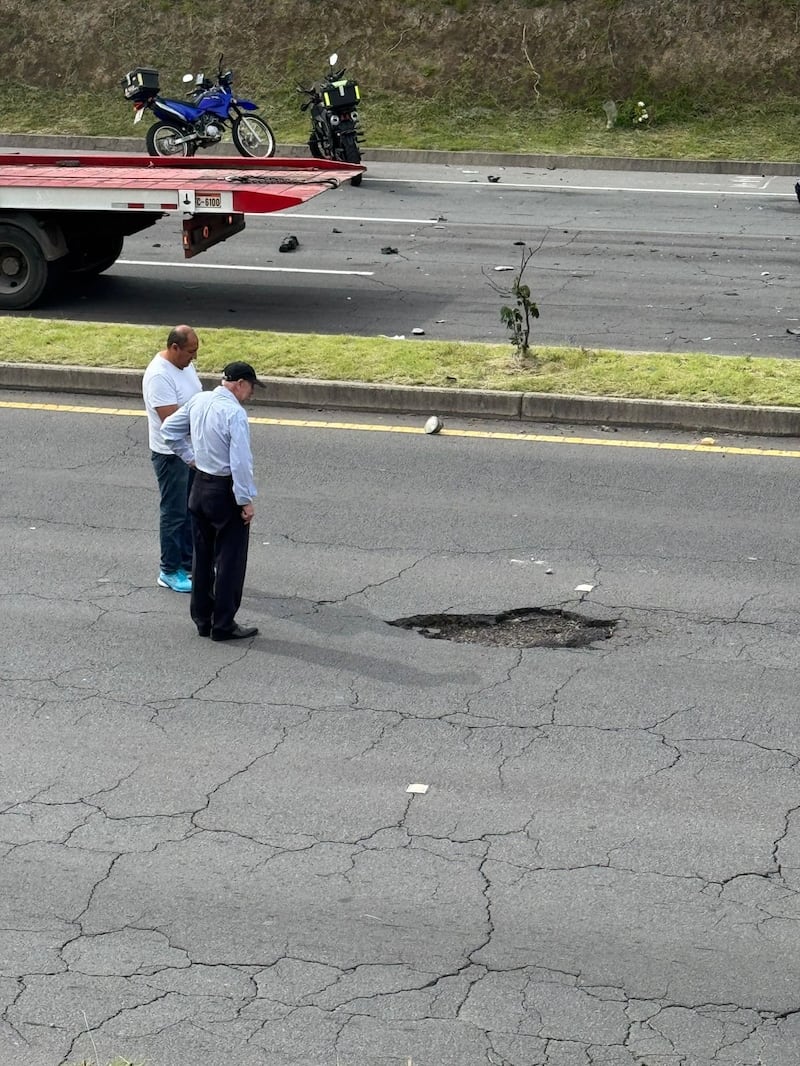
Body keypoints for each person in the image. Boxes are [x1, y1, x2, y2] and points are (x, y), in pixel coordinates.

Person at [161, 361, 260, 641]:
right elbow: (240, 462)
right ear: (240, 384)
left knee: (202, 557)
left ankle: (202, 619)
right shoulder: (234, 413)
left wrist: (191, 457)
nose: (251, 394)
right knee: (230, 559)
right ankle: (224, 623)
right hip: (224, 490)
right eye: (251, 387)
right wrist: (245, 500)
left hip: (200, 486)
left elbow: (169, 431)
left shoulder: (199, 400)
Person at [142, 325, 202, 594]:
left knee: (190, 509)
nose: (194, 358)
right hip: (171, 455)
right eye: (190, 352)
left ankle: (187, 563)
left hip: (190, 452)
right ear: (174, 348)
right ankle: (169, 569)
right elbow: (171, 421)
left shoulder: (184, 365)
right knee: (174, 513)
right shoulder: (158, 376)